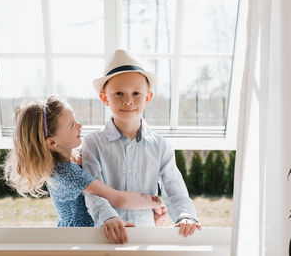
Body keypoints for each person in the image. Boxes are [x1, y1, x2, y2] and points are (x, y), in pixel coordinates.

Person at [82, 49, 202, 244]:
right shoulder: (93, 143)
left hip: (147, 238)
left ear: (148, 97)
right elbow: (93, 191)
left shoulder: (161, 146)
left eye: (136, 93)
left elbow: (174, 189)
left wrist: (185, 215)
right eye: (119, 93)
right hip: (107, 236)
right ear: (105, 98)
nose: (128, 100)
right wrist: (108, 217)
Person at [3, 96, 162, 228]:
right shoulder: (64, 173)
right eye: (72, 125)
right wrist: (157, 201)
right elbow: (116, 198)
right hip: (77, 240)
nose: (80, 125)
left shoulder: (76, 154)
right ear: (52, 143)